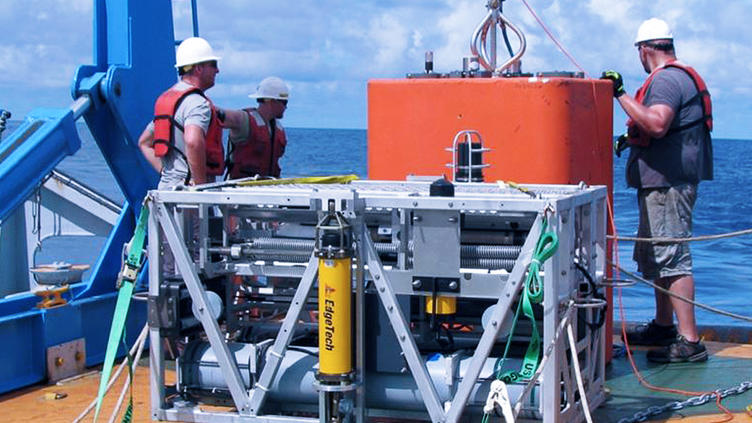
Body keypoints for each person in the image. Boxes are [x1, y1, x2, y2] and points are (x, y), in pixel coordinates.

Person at [602, 18, 713, 363]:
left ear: (645, 50)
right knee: (658, 257)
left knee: (673, 258)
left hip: (668, 185)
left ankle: (690, 341)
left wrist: (618, 93)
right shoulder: (678, 76)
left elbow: (658, 123)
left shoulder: (665, 80)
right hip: (661, 184)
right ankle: (664, 326)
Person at [138, 36, 227, 189]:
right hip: (187, 195)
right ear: (198, 68)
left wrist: (166, 173)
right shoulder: (198, 103)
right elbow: (193, 142)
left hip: (166, 189)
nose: (217, 70)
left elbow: (144, 142)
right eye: (213, 65)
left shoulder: (169, 101)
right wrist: (200, 188)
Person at [225, 76, 290, 179]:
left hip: (267, 188)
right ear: (271, 101)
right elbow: (219, 115)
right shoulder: (244, 120)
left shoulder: (278, 129)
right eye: (284, 102)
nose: (286, 107)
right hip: (241, 189)